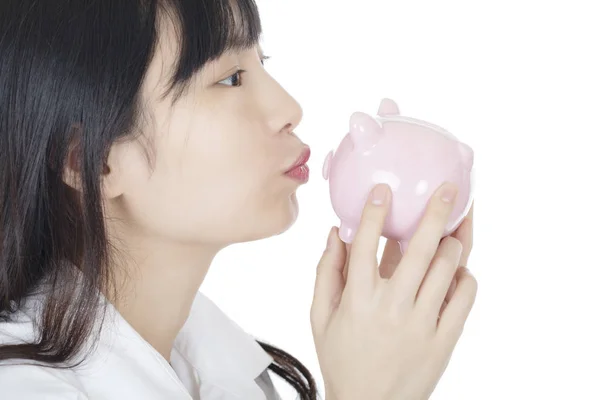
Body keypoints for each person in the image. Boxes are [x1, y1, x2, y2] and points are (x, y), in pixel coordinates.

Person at [0, 0, 477, 399]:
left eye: (260, 62)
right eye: (230, 78)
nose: (290, 109)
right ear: (94, 160)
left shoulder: (233, 373)